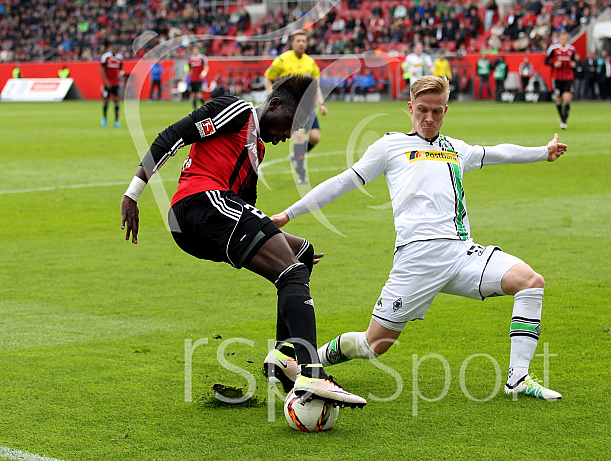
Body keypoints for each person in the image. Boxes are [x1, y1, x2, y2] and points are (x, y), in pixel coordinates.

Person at [269, 76, 566, 401]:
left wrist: (544, 151)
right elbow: (343, 182)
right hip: (416, 261)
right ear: (410, 108)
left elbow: (500, 153)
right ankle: (303, 365)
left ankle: (518, 378)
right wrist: (288, 214)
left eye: (436, 112)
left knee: (530, 281)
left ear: (445, 110)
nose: (428, 118)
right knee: (374, 344)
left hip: (461, 255)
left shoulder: (456, 148)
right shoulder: (390, 146)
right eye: (422, 110)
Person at [119, 74, 367, 408]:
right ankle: (312, 373)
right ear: (275, 104)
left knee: (301, 255)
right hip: (199, 205)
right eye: (291, 123)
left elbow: (248, 209)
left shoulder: (257, 148)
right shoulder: (237, 111)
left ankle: (283, 356)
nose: (289, 134)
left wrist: (277, 236)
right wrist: (133, 193)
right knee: (291, 271)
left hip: (214, 215)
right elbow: (174, 136)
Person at [264, 30, 327, 184]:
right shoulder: (282, 60)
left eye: (304, 41)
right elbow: (268, 78)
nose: (301, 44)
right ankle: (301, 174)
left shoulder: (310, 63)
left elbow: (315, 86)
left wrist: (322, 103)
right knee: (298, 135)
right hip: (288, 108)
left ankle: (296, 155)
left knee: (315, 137)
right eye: (298, 41)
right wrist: (272, 95)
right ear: (292, 43)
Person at [545, 30, 576, 129]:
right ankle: (561, 116)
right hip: (557, 77)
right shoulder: (553, 49)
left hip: (568, 77)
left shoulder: (571, 50)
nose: (564, 40)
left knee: (567, 98)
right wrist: (554, 64)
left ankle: (564, 120)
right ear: (559, 39)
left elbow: (574, 61)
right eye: (562, 38)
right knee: (559, 100)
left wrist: (573, 64)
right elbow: (546, 61)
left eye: (565, 38)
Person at [100, 42, 124, 128]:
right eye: (113, 49)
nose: (114, 50)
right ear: (111, 49)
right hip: (107, 83)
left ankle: (116, 121)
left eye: (116, 49)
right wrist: (106, 81)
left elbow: (121, 70)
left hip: (115, 82)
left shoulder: (120, 58)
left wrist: (121, 74)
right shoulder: (105, 57)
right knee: (106, 101)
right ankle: (104, 119)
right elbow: (101, 70)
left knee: (116, 100)